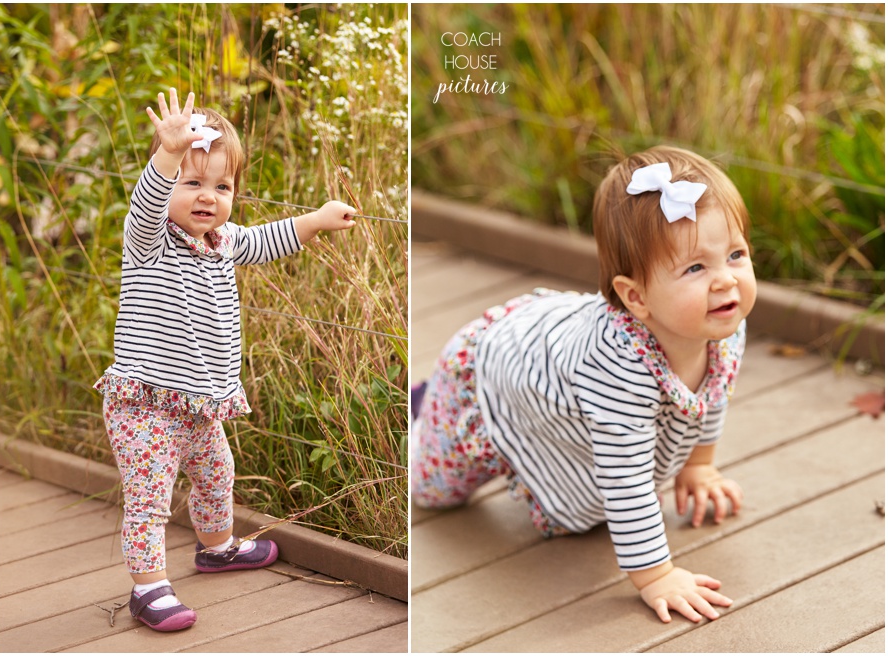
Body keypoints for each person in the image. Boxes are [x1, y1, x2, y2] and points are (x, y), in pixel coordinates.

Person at [411, 145, 756, 624]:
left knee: (598, 487)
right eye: (696, 268)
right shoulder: (617, 367)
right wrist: (656, 575)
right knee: (430, 490)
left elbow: (711, 394)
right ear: (635, 297)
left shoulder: (724, 323)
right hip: (487, 376)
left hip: (553, 374)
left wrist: (699, 465)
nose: (726, 282)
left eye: (736, 255)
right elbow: (625, 477)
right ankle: (426, 407)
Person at [94, 88, 357, 631]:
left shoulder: (222, 240)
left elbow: (268, 239)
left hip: (200, 405)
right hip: (145, 405)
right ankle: (148, 588)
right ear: (169, 186)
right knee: (150, 500)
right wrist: (168, 153)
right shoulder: (150, 241)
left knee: (217, 475)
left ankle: (216, 549)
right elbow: (146, 204)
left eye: (221, 186)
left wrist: (317, 218)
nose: (207, 197)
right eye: (192, 184)